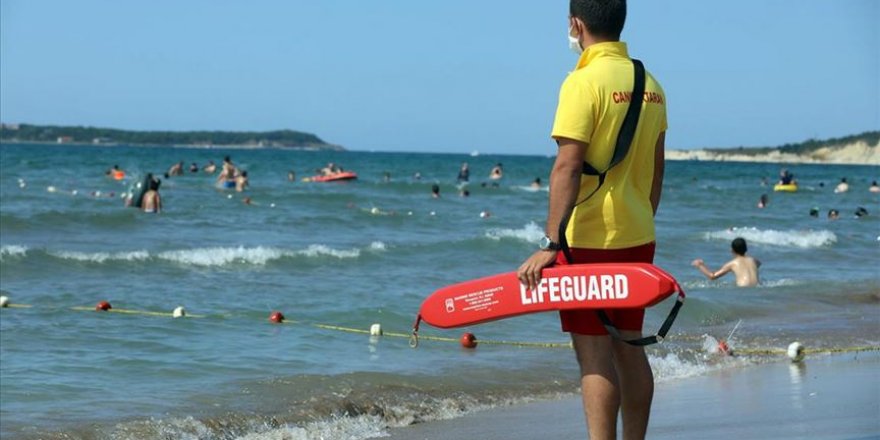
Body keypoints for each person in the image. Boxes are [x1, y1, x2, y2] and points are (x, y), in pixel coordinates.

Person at [516, 2, 667, 438]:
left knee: (594, 354)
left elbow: (567, 166)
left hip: (585, 241)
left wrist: (550, 244)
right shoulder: (651, 84)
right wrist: (639, 220)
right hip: (638, 234)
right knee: (629, 345)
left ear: (575, 24)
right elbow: (657, 169)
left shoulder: (582, 83)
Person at [691, 238, 761, 287]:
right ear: (746, 249)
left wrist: (700, 265)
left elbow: (712, 276)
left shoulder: (732, 263)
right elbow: (759, 264)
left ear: (732, 250)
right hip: (756, 287)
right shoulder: (753, 260)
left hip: (743, 288)